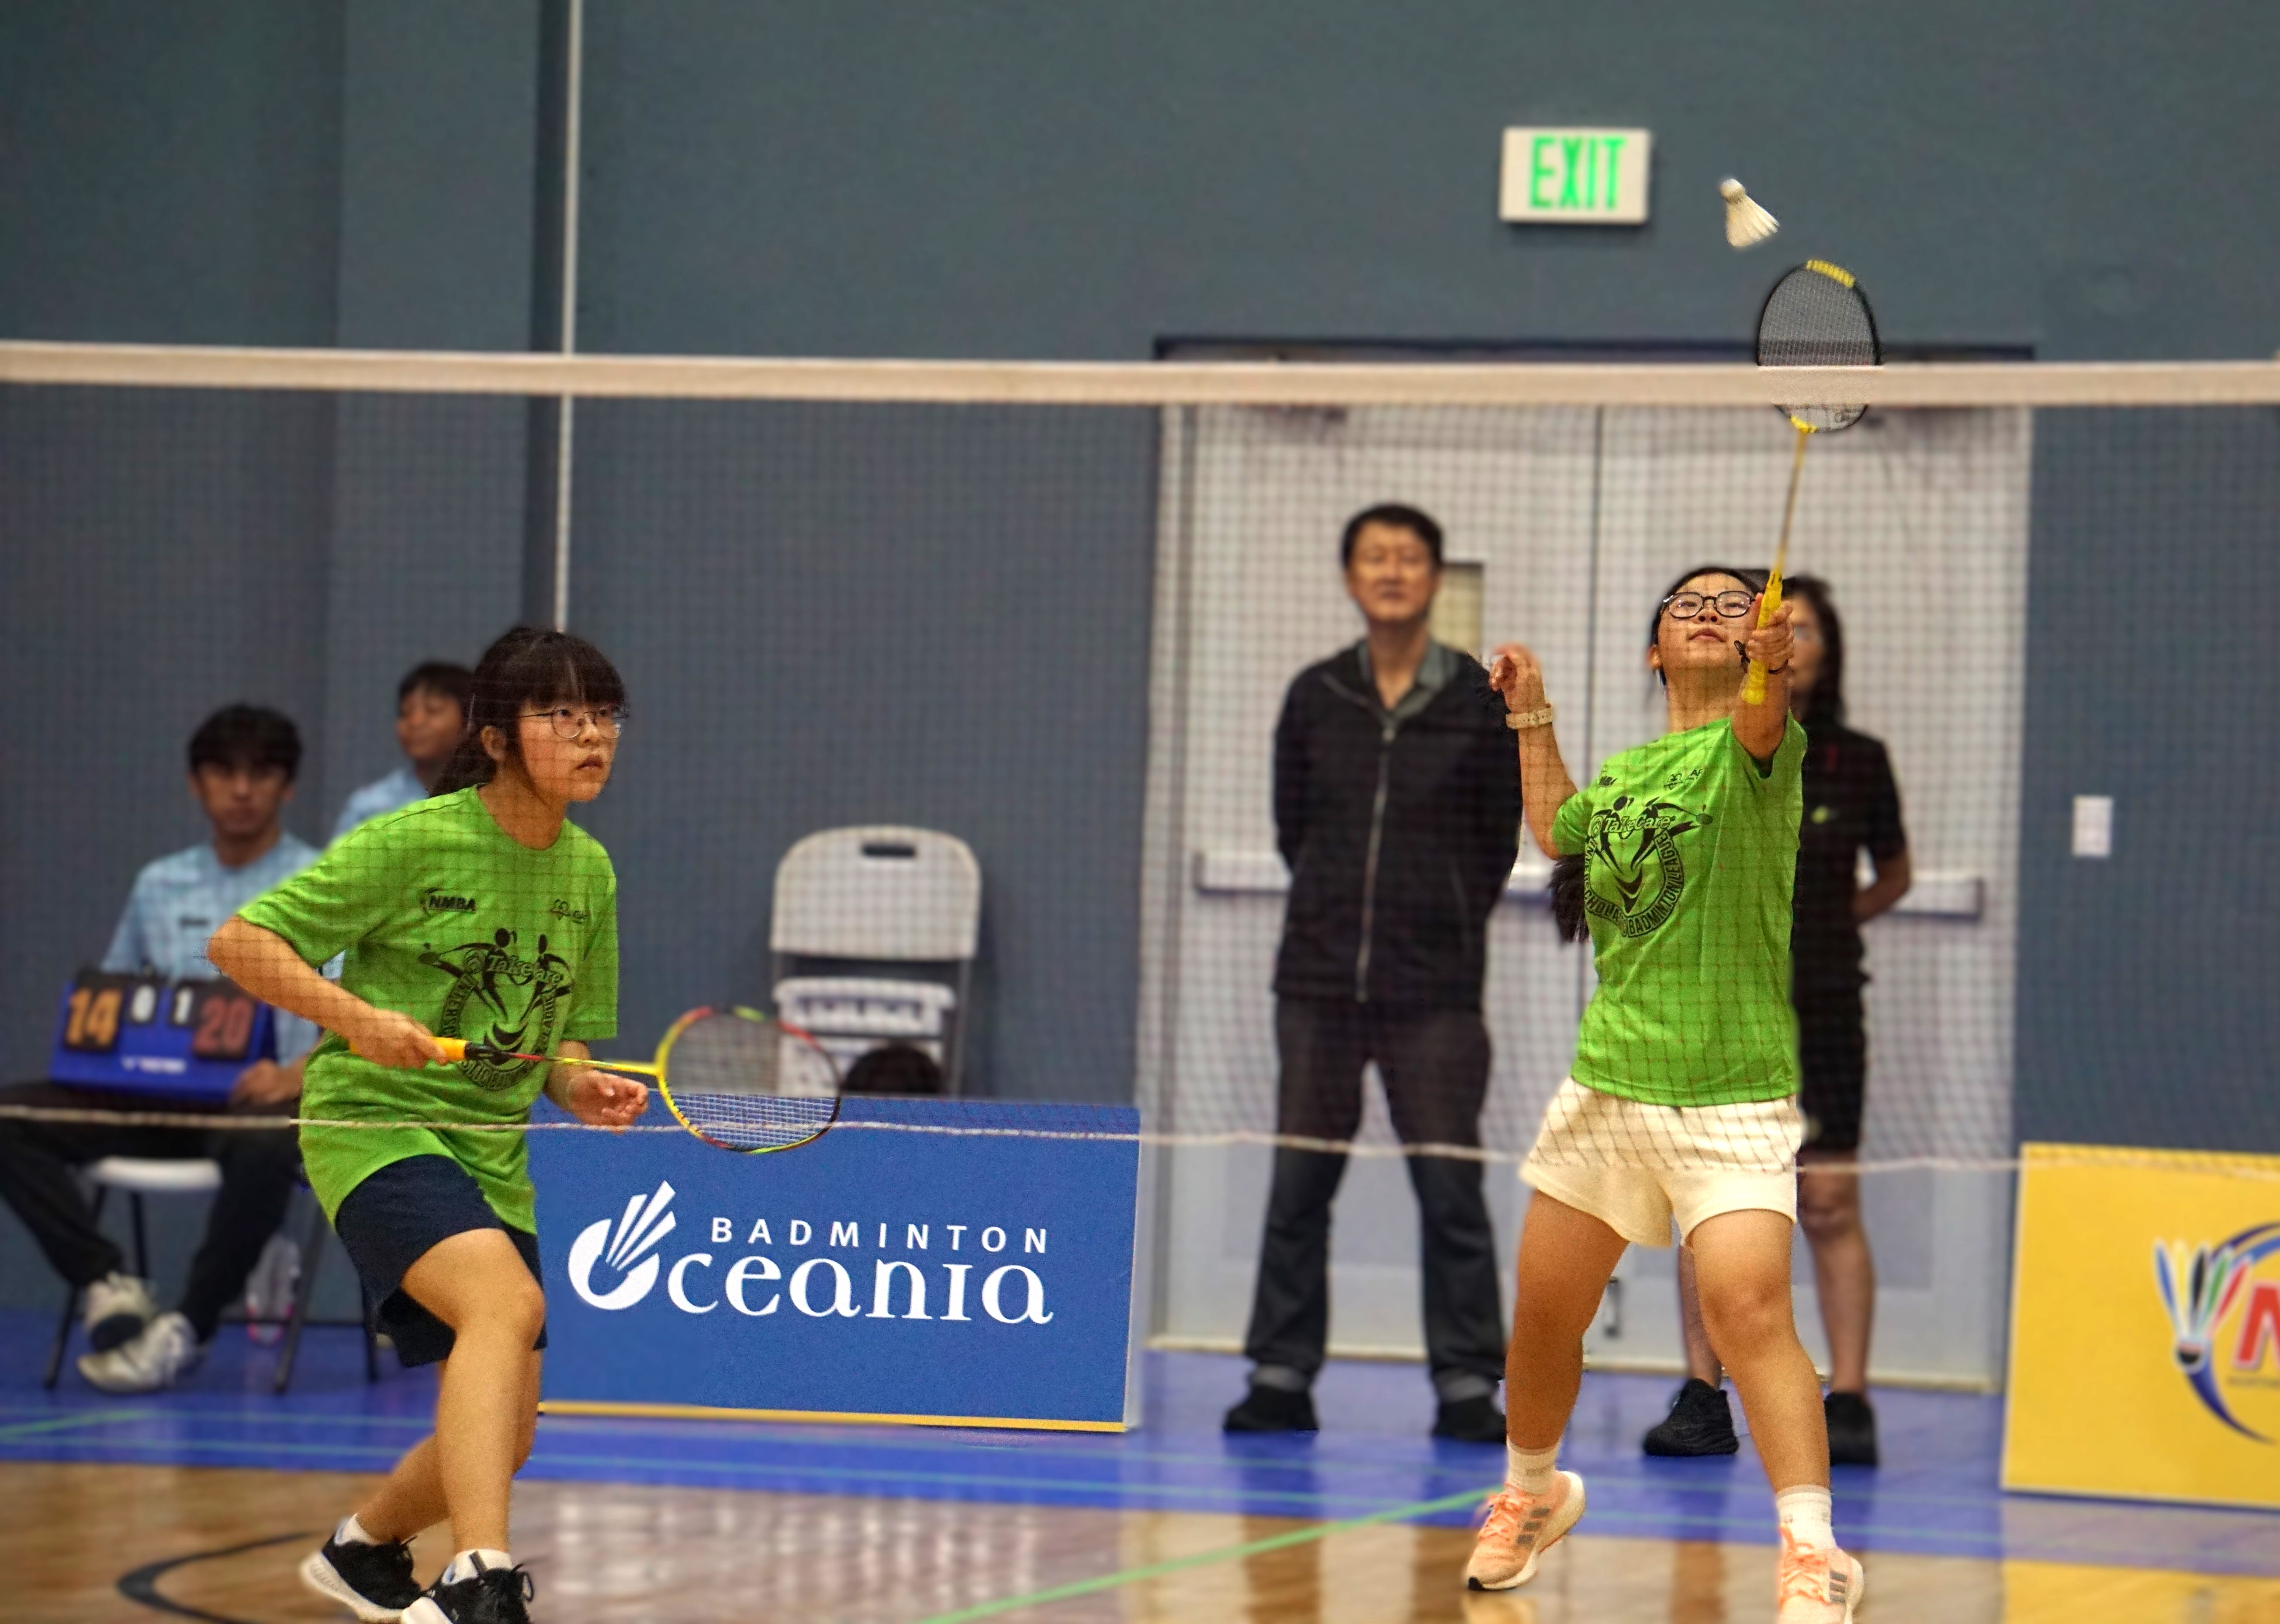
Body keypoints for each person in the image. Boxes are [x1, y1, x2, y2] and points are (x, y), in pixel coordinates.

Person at [210, 628, 644, 1624]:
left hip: (491, 1152)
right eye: (562, 715)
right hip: (376, 1122)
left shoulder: (591, 874)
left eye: (604, 715)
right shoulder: (414, 841)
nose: (592, 736)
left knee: (508, 1434)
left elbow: (564, 1041)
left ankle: (363, 1549)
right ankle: (475, 1577)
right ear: (495, 739)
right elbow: (241, 941)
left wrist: (577, 1088)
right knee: (504, 1305)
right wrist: (361, 1022)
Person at [1465, 568, 1865, 1622]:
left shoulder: (1755, 754)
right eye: (1683, 604)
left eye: (1732, 605)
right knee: (1543, 1321)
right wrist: (1529, 711)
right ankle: (1528, 1495)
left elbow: (1763, 718)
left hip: (1731, 1099)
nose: (1704, 612)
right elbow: (1557, 833)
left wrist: (1771, 674)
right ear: (1652, 649)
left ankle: (1811, 1550)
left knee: (1747, 1313)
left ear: (1755, 648)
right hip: (1608, 1089)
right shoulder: (1633, 767)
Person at [1223, 503, 1522, 1445]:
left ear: (1433, 578)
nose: (1390, 571)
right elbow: (1292, 826)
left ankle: (1468, 1381)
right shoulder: (1316, 694)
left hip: (1432, 992)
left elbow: (1492, 840)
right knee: (1299, 1179)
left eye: (1407, 557)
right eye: (1372, 557)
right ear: (1351, 578)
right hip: (1314, 981)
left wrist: (1433, 922)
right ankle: (1279, 1370)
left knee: (1448, 1184)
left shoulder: (1475, 698)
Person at [1643, 575, 1910, 1468]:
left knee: (1828, 1201)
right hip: (1713, 1008)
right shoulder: (1702, 751)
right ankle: (1699, 1392)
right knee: (1705, 1204)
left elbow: (1893, 874)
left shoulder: (1858, 759)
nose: (1782, 633)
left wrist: (1823, 935)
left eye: (1801, 627)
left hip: (1820, 1010)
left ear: (1816, 651)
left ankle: (1852, 1395)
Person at [0, 706, 318, 1393]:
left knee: (270, 1144)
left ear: (286, 787)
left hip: (256, 1107)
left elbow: (354, 1014)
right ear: (195, 785)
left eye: (259, 774)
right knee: (12, 1115)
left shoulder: (321, 882)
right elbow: (111, 1002)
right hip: (150, 1098)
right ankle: (105, 1279)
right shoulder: (159, 882)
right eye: (222, 773)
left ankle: (187, 1329)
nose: (240, 790)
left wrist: (297, 1072)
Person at [332, 661, 476, 839]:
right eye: (405, 712)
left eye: (433, 710)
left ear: (469, 722)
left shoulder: (489, 800)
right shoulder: (372, 807)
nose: (415, 722)